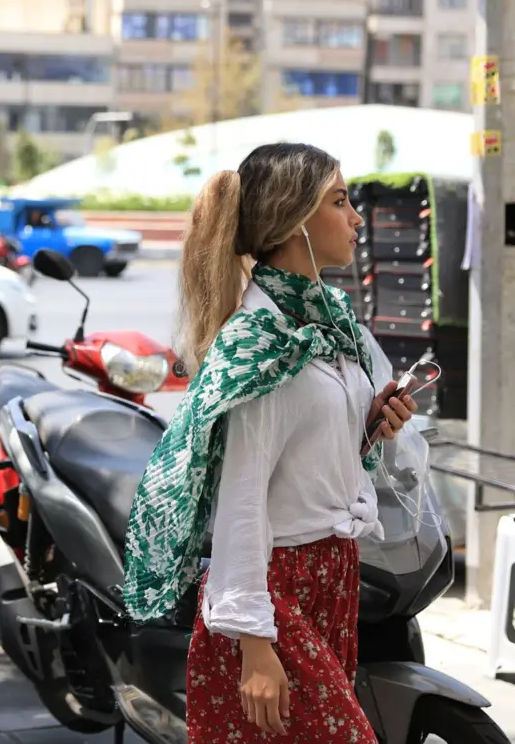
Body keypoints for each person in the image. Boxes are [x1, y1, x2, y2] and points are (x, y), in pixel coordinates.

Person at [121, 143, 417, 743]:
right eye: (340, 201)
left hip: (332, 574)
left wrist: (370, 427)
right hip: (272, 587)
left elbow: (304, 456)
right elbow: (243, 496)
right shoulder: (260, 340)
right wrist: (254, 642)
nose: (358, 218)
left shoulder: (325, 323)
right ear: (293, 220)